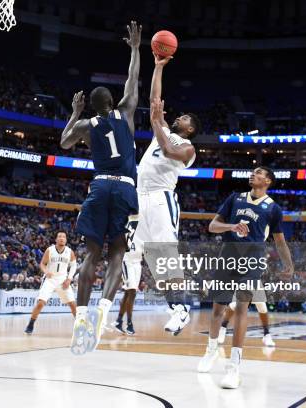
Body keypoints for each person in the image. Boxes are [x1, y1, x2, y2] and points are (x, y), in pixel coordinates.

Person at [60, 21, 141, 355]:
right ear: (113, 100)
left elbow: (64, 143)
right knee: (117, 253)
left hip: (99, 186)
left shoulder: (85, 123)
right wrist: (135, 48)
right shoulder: (126, 113)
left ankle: (80, 321)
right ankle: (104, 313)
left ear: (92, 106)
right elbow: (134, 81)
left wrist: (74, 113)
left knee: (91, 255)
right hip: (124, 188)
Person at [116, 55, 199, 337]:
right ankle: (173, 306)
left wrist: (155, 124)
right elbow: (155, 100)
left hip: (162, 198)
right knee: (141, 257)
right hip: (139, 198)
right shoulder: (162, 128)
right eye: (179, 116)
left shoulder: (187, 148)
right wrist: (159, 67)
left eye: (184, 119)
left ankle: (182, 309)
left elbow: (167, 151)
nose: (178, 117)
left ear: (190, 129)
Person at [197, 166, 294, 389]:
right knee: (217, 309)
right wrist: (232, 225)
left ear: (268, 181)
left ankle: (234, 368)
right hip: (228, 256)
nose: (253, 174)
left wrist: (288, 264)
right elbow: (213, 226)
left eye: (259, 172)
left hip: (253, 260)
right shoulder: (235, 198)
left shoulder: (273, 208)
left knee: (242, 307)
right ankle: (211, 351)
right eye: (253, 171)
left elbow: (279, 241)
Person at [25, 231, 77, 334]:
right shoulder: (50, 250)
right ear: (56, 239)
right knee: (41, 303)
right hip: (50, 279)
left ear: (66, 240)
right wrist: (45, 271)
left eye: (63, 237)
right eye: (59, 236)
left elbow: (74, 266)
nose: (62, 238)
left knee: (72, 304)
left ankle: (81, 325)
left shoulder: (69, 251)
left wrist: (69, 279)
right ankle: (31, 324)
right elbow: (43, 264)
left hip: (63, 279)